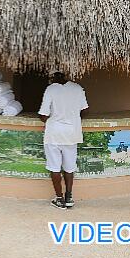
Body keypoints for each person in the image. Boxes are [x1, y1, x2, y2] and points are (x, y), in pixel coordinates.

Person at [38, 71, 89, 210]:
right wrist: (73, 118)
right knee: (69, 167)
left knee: (55, 167)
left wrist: (51, 117)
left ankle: (59, 199)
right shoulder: (77, 88)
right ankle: (69, 197)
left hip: (54, 134)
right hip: (72, 134)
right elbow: (85, 110)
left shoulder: (51, 89)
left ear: (53, 77)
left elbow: (43, 115)